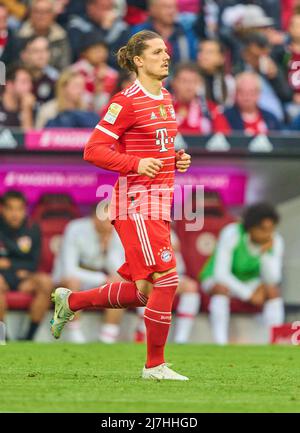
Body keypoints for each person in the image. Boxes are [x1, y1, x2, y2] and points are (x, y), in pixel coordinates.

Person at [50, 30, 192, 381]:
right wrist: (134, 165)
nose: (166, 56)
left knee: (144, 291)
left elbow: (154, 151)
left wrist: (176, 159)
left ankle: (71, 302)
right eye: (157, 52)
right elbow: (93, 149)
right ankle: (154, 366)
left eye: (166, 51)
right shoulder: (125, 100)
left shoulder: (166, 98)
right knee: (168, 278)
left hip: (159, 202)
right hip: (135, 201)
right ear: (139, 61)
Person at [200, 202, 285, 345]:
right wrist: (249, 294)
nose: (268, 234)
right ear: (251, 227)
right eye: (263, 229)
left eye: (271, 229)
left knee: (273, 291)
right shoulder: (231, 233)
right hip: (215, 279)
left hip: (249, 282)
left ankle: (274, 340)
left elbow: (273, 278)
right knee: (221, 288)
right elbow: (221, 274)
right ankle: (220, 343)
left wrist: (265, 254)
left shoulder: (275, 240)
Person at [52, 201, 125, 343]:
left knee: (120, 283)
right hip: (67, 280)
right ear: (94, 217)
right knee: (73, 282)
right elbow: (69, 271)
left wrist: (107, 248)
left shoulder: (116, 231)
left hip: (98, 281)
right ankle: (75, 335)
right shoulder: (75, 228)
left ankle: (107, 337)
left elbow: (119, 269)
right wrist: (103, 279)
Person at [0, 190, 53, 341]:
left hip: (24, 279)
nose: (14, 214)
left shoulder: (32, 228)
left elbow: (33, 263)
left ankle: (29, 337)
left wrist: (9, 263)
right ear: (2, 209)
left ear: (25, 210)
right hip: (3, 278)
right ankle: (3, 337)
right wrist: (18, 267)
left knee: (46, 282)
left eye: (19, 209)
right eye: (10, 208)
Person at [134, 228, 200, 344]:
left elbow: (173, 254)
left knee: (191, 287)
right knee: (146, 285)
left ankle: (181, 339)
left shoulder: (165, 228)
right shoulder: (134, 228)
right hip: (144, 277)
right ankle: (142, 330)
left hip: (169, 275)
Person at [131, 0, 198, 65]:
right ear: (153, 9)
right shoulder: (139, 33)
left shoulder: (186, 34)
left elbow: (192, 64)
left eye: (175, 7)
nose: (172, 11)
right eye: (166, 7)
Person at [171, 62, 230, 135]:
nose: (189, 87)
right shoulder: (165, 107)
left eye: (194, 81)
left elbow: (224, 136)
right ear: (174, 83)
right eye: (184, 81)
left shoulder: (209, 109)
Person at [67, 0, 130, 67]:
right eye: (104, 8)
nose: (109, 13)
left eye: (110, 8)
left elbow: (124, 58)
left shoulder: (120, 27)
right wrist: (104, 29)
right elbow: (76, 55)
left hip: (114, 72)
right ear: (91, 8)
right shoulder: (77, 25)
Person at [17, 0, 71, 71]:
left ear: (53, 15)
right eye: (37, 11)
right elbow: (15, 66)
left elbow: (64, 67)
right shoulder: (19, 35)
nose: (41, 16)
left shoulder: (61, 36)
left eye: (46, 12)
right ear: (30, 14)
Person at [71, 33, 118, 112]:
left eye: (103, 49)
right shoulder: (74, 72)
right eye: (96, 49)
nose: (101, 53)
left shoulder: (112, 74)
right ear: (84, 52)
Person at [20, 35, 59, 106]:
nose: (42, 55)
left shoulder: (55, 77)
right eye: (36, 51)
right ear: (24, 55)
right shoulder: (14, 77)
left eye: (45, 50)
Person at [197, 38, 235, 107]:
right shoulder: (191, 80)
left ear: (222, 58)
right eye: (201, 51)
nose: (203, 55)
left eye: (209, 52)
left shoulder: (229, 82)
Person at [0, 65, 36, 130]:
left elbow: (28, 137)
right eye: (24, 82)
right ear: (9, 85)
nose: (30, 86)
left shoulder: (29, 106)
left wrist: (26, 109)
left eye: (30, 82)